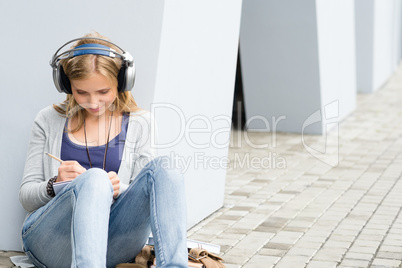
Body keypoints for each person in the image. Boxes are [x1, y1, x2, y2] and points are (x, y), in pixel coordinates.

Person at [19, 32, 188, 268]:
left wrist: (121, 189)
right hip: (52, 242)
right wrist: (54, 183)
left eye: (103, 92)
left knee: (166, 167)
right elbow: (27, 197)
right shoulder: (48, 120)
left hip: (114, 242)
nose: (93, 103)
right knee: (95, 177)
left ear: (121, 82)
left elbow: (144, 195)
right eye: (81, 92)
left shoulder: (142, 124)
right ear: (67, 85)